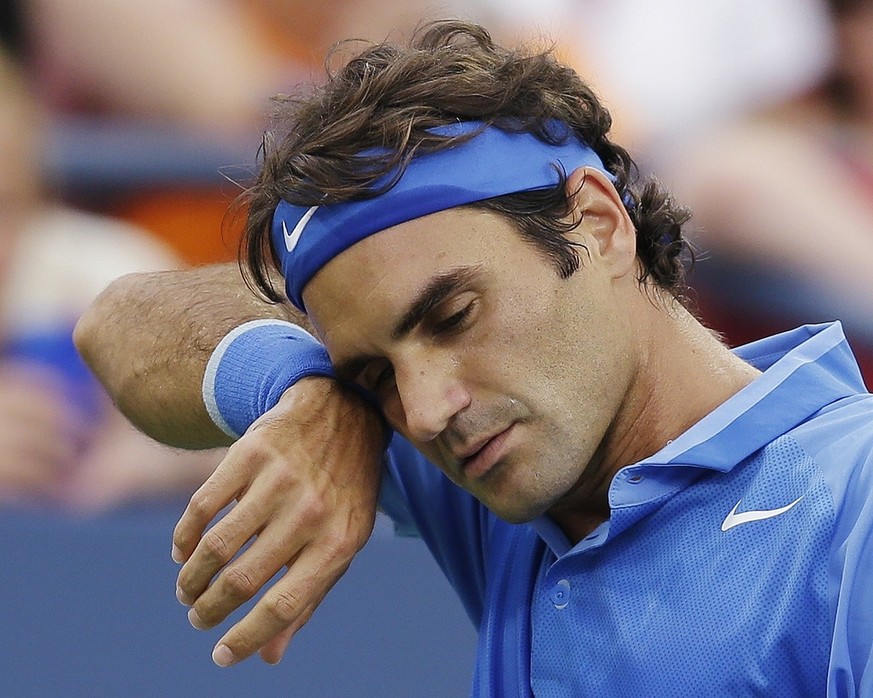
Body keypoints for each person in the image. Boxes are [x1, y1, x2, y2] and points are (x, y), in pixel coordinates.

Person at [74, 20, 873, 695]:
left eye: (452, 315)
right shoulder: (505, 475)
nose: (423, 412)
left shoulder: (854, 500)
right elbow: (118, 324)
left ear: (597, 223)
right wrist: (310, 394)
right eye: (375, 374)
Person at [0, 46, 222, 509]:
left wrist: (159, 448)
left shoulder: (115, 273)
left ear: (37, 190)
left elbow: (242, 435)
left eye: (5, 203)